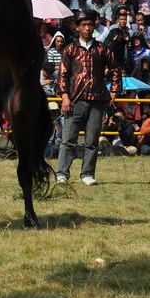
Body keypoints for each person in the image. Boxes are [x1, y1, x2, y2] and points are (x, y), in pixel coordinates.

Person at [56, 10, 121, 186]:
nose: (87, 28)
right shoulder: (70, 49)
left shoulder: (102, 49)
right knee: (68, 140)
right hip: (75, 100)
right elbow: (62, 75)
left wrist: (113, 92)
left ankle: (87, 174)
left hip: (97, 100)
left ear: (94, 26)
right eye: (83, 25)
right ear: (77, 27)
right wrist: (64, 97)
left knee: (92, 141)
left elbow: (115, 70)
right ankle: (62, 173)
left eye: (90, 24)